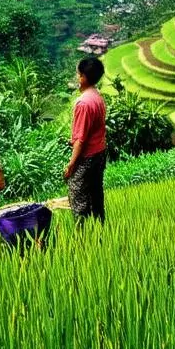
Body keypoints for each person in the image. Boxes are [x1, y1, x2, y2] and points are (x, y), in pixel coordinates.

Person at [64, 56, 107, 224]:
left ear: (83, 77)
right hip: (100, 153)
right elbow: (92, 130)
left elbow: (81, 140)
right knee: (95, 193)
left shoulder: (83, 103)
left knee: (78, 195)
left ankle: (83, 235)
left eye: (78, 74)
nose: (77, 77)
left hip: (87, 157)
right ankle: (99, 227)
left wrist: (71, 164)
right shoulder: (97, 96)